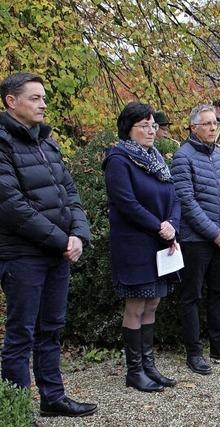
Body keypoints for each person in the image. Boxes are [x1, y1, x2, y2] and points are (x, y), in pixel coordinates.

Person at [0, 72, 96, 417]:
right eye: (35, 98)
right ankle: (17, 411)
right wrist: (62, 240)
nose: (43, 104)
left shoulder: (47, 142)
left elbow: (70, 193)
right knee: (20, 334)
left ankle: (52, 398)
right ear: (12, 101)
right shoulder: (2, 142)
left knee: (52, 329)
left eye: (44, 98)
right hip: (23, 255)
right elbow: (11, 206)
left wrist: (79, 235)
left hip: (57, 252)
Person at [103, 102, 180, 392]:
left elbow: (174, 196)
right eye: (144, 125)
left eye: (153, 125)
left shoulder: (157, 159)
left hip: (161, 241)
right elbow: (126, 203)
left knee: (153, 302)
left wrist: (172, 223)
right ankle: (134, 371)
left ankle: (149, 365)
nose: (151, 130)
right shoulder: (119, 160)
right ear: (129, 129)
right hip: (135, 243)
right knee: (136, 304)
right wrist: (159, 226)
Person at [170, 105, 220, 375]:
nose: (213, 128)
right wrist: (215, 233)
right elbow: (187, 203)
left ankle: (218, 344)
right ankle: (194, 352)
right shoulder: (182, 157)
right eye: (207, 124)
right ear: (193, 128)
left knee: (218, 292)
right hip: (196, 240)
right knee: (192, 296)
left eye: (215, 124)